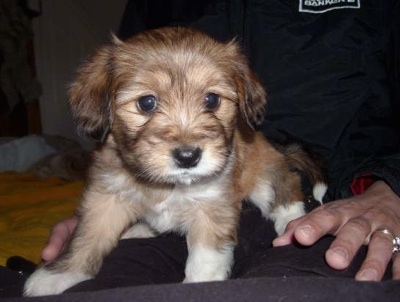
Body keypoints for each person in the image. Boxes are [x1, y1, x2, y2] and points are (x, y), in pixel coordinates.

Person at [2, 0, 400, 299]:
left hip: (349, 193)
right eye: (146, 103)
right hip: (163, 224)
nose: (186, 143)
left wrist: (393, 183)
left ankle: (289, 202)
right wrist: (80, 256)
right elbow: (107, 205)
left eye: (212, 101)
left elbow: (214, 214)